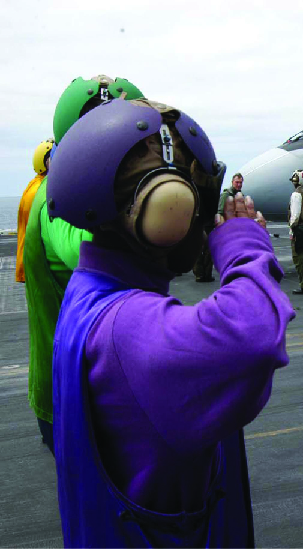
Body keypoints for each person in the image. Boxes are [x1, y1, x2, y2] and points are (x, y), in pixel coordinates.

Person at [47, 97, 295, 546]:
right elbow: (254, 335)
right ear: (170, 206)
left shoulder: (87, 292)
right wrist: (245, 247)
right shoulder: (127, 328)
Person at [24, 75, 143, 455]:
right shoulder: (57, 198)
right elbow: (86, 253)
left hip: (101, 385)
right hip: (77, 394)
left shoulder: (72, 188)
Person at [16, 138, 53, 282]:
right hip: (36, 262)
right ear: (45, 162)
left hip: (30, 260)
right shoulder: (40, 191)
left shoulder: (34, 186)